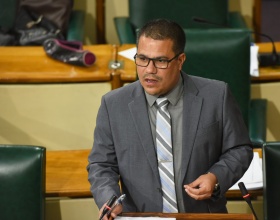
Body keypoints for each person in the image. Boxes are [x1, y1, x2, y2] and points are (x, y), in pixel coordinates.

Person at [87, 18, 253, 219]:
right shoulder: (113, 105)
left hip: (201, 215)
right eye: (142, 59)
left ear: (180, 60)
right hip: (141, 216)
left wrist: (215, 177)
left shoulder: (216, 95)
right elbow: (101, 164)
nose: (149, 70)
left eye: (160, 61)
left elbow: (239, 150)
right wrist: (109, 198)